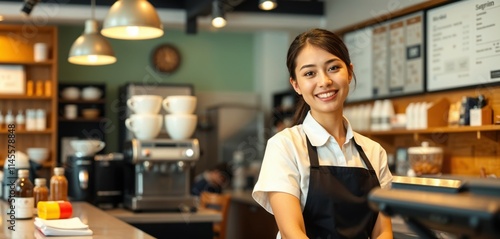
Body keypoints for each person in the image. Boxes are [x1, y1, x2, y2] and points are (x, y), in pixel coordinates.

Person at [252, 28, 393, 239]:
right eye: (310, 73)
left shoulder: (374, 152)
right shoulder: (284, 145)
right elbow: (293, 232)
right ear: (296, 85)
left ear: (350, 72)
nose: (324, 81)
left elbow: (383, 231)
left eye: (334, 68)